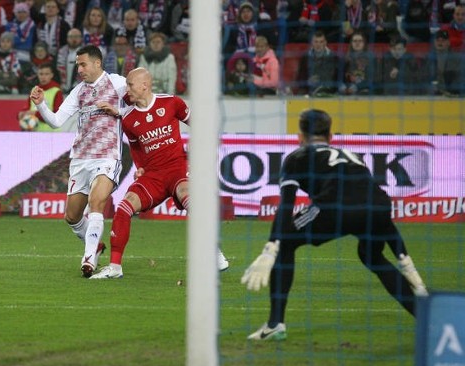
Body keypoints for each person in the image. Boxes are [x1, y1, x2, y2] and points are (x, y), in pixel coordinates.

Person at [240, 109, 428, 341]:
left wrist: (271, 248)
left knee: (287, 243)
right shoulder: (352, 156)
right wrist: (405, 261)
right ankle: (427, 320)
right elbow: (374, 204)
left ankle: (275, 324)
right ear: (331, 137)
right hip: (379, 207)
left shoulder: (297, 158)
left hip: (334, 208)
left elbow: (286, 206)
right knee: (371, 256)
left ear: (300, 136)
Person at [89, 67, 229, 279]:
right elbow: (136, 148)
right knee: (125, 207)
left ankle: (214, 253)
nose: (127, 90)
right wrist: (140, 168)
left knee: (189, 197)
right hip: (153, 176)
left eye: (131, 85)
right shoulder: (128, 119)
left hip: (177, 169)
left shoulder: (172, 103)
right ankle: (115, 267)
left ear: (145, 85)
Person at [29, 45, 126, 278]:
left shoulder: (117, 83)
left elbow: (140, 102)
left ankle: (89, 258)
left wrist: (119, 112)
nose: (79, 69)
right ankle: (97, 246)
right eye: (77, 65)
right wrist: (41, 104)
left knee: (96, 202)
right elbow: (56, 121)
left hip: (107, 156)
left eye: (83, 64)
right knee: (72, 216)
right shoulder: (78, 91)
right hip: (80, 158)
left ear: (97, 63)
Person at [18, 63, 63, 131]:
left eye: (46, 74)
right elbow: (28, 107)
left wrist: (35, 114)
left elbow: (57, 116)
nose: (43, 77)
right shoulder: (34, 89)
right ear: (38, 75)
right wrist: (22, 113)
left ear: (52, 75)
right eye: (41, 74)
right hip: (35, 134)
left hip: (52, 134)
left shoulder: (57, 91)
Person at [295, 31, 339, 96]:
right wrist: (308, 81)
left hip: (328, 91)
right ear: (312, 43)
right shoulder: (305, 58)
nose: (318, 45)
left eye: (321, 42)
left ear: (325, 43)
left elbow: (337, 78)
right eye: (316, 42)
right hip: (309, 91)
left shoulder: (334, 58)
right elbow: (299, 78)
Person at [56, 27, 82, 93]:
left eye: (76, 36)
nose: (74, 39)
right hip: (63, 87)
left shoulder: (86, 51)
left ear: (81, 38)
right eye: (71, 37)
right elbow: (58, 70)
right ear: (67, 39)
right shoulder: (61, 51)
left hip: (79, 87)